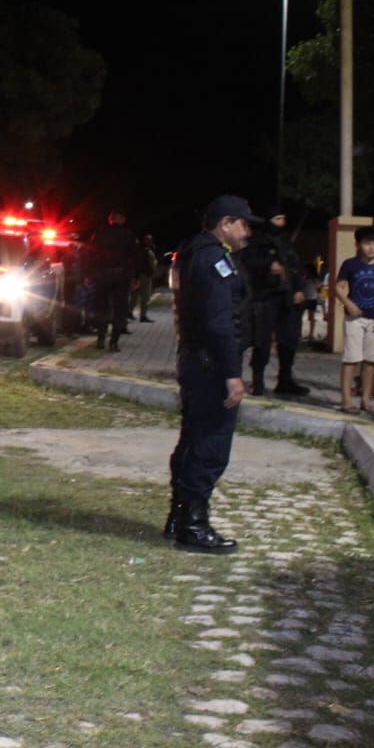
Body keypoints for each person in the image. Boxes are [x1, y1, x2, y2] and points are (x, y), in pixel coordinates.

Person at [166, 194, 258, 554]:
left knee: (192, 440)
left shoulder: (195, 252)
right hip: (212, 366)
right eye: (244, 224)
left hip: (197, 360)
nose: (248, 232)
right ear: (226, 224)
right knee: (210, 445)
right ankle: (194, 526)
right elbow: (220, 322)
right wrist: (232, 374)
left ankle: (179, 516)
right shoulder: (214, 258)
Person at [243, 209, 310, 396]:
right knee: (262, 341)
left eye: (283, 218)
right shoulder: (256, 240)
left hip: (287, 298)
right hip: (265, 297)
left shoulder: (286, 241)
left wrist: (298, 289)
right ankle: (257, 381)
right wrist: (268, 265)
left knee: (289, 340)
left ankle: (285, 380)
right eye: (278, 218)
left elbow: (295, 266)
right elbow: (248, 261)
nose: (282, 222)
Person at [334, 227, 374, 413]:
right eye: (367, 243)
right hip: (355, 319)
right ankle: (346, 400)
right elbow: (338, 287)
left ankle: (366, 399)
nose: (371, 248)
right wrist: (348, 303)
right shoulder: (350, 265)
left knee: (371, 361)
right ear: (358, 245)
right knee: (351, 359)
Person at [87, 208, 142, 352]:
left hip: (102, 275)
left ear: (110, 219)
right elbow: (136, 257)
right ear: (122, 219)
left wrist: (89, 274)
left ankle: (100, 339)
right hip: (122, 276)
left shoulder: (99, 233)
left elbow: (90, 255)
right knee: (120, 309)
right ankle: (114, 343)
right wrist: (136, 277)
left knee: (101, 308)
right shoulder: (129, 235)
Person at [132, 234, 159, 322]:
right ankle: (143, 316)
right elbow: (151, 265)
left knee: (134, 296)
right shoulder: (147, 252)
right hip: (145, 276)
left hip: (138, 275)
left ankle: (129, 312)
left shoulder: (139, 250)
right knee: (145, 297)